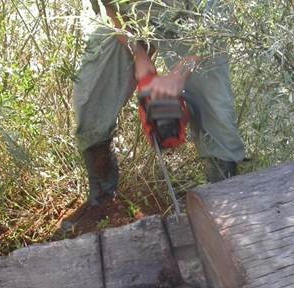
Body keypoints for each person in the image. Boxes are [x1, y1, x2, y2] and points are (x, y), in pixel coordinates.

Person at [74, 0, 245, 209]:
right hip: (134, 17)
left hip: (197, 18)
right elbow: (110, 7)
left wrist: (181, 73)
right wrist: (138, 54)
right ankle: (103, 203)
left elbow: (219, 23)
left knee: (217, 115)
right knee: (90, 96)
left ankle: (223, 202)